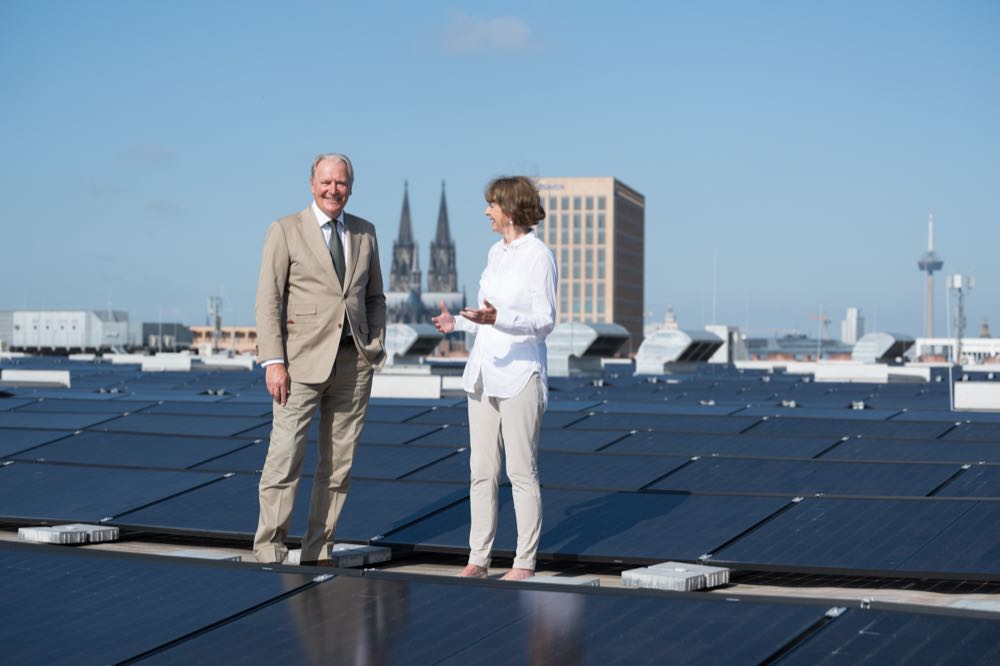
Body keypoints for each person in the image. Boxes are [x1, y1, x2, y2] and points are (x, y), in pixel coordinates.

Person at [253, 152, 387, 565]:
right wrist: (274, 360)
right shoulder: (286, 230)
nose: (334, 190)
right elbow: (269, 299)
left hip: (353, 364)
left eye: (341, 183)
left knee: (338, 465)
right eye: (327, 183)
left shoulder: (365, 233)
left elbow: (374, 297)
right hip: (299, 366)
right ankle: (269, 548)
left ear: (351, 187)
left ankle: (318, 549)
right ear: (312, 184)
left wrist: (375, 344)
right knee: (285, 458)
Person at [432, 175, 557, 581]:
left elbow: (545, 321)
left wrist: (500, 318)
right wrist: (459, 324)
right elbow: (487, 318)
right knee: (481, 471)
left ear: (511, 208)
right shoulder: (494, 253)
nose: (487, 211)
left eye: (492, 205)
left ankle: (523, 562)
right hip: (483, 374)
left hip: (521, 376)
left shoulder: (539, 256)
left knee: (521, 471)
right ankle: (478, 558)